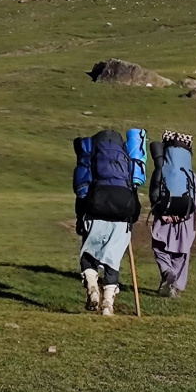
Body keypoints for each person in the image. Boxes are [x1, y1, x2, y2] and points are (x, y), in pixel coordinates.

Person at [73, 128, 141, 315]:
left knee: (88, 254)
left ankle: (93, 287)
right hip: (122, 213)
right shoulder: (127, 159)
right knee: (113, 258)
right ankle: (108, 303)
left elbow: (82, 191)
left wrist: (80, 218)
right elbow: (134, 190)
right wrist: (131, 218)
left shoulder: (90, 157)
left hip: (95, 209)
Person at [149, 131, 196, 298]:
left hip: (164, 218)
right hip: (185, 220)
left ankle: (167, 272)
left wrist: (163, 215)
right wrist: (184, 216)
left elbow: (154, 195)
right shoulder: (190, 175)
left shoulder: (162, 169)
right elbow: (195, 201)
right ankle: (175, 287)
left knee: (160, 248)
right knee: (181, 254)